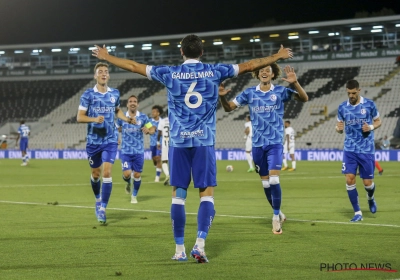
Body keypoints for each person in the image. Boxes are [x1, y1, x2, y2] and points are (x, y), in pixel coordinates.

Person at [92, 35, 293, 263]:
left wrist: (107, 57)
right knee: (206, 195)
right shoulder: (215, 71)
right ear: (202, 51)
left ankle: (179, 250)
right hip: (203, 143)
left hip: (178, 143)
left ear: (181, 52)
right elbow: (250, 66)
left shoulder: (170, 73)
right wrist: (277, 56)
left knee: (178, 196)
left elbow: (134, 66)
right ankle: (200, 244)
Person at [219, 63, 308, 235]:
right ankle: (279, 212)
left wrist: (295, 83)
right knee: (266, 183)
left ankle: (275, 217)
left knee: (274, 180)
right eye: (261, 71)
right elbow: (228, 107)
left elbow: (303, 98)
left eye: (268, 70)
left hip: (275, 142)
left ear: (273, 73)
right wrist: (222, 97)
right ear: (257, 74)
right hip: (257, 145)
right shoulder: (249, 93)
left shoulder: (281, 92)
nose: (264, 72)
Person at [77, 62, 134, 224]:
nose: (103, 73)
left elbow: (117, 110)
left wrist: (127, 119)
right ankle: (97, 199)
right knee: (96, 174)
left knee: (107, 173)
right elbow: (80, 117)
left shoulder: (114, 93)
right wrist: (94, 118)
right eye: (100, 71)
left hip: (110, 139)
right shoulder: (88, 95)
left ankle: (102, 208)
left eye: (106, 71)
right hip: (94, 141)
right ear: (95, 76)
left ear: (108, 76)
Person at [336, 79, 381, 222]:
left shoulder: (369, 105)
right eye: (349, 93)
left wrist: (371, 127)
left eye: (354, 93)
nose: (351, 96)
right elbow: (338, 126)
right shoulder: (342, 107)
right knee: (349, 180)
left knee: (368, 183)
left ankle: (371, 198)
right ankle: (357, 212)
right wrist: (338, 129)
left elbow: (378, 121)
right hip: (349, 149)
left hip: (366, 149)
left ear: (359, 90)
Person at [117, 95, 155, 204]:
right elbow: (115, 128)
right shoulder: (122, 117)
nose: (132, 103)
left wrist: (149, 131)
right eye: (130, 101)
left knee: (137, 175)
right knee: (127, 174)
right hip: (126, 151)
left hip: (138, 152)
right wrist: (116, 137)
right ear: (127, 104)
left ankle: (134, 196)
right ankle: (128, 182)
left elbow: (152, 128)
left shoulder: (143, 117)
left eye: (135, 101)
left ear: (138, 104)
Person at [150, 105, 163, 182]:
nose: (153, 113)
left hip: (160, 143)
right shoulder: (149, 121)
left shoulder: (163, 121)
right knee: (154, 159)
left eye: (154, 112)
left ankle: (157, 177)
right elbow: (148, 130)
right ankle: (157, 167)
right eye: (152, 112)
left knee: (158, 158)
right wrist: (151, 129)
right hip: (152, 143)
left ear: (158, 113)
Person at [157, 110, 171, 185]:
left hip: (165, 142)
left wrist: (158, 142)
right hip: (173, 142)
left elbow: (159, 133)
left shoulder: (162, 121)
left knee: (164, 161)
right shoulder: (175, 120)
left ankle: (167, 175)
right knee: (174, 160)